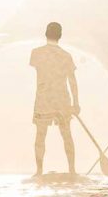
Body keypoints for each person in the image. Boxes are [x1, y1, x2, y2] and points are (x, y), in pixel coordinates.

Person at [29, 22, 79, 176]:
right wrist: (76, 103)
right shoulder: (66, 56)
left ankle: (39, 171)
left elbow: (71, 79)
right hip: (61, 100)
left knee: (41, 134)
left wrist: (75, 103)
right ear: (60, 36)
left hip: (44, 99)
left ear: (45, 34)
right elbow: (72, 81)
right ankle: (72, 170)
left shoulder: (36, 53)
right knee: (66, 134)